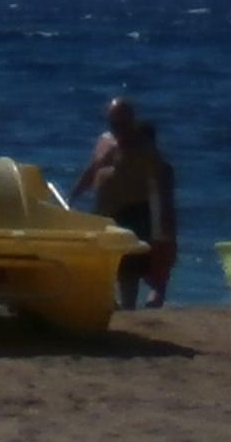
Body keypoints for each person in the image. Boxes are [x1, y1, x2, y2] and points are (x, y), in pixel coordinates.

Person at [75, 97, 179, 307]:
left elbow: (162, 185)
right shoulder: (105, 141)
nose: (119, 128)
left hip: (133, 211)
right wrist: (74, 195)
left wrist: (165, 226)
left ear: (132, 121)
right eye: (114, 123)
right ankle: (111, 303)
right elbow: (92, 169)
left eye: (123, 123)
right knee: (100, 263)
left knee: (129, 270)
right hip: (104, 213)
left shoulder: (144, 148)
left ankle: (130, 309)